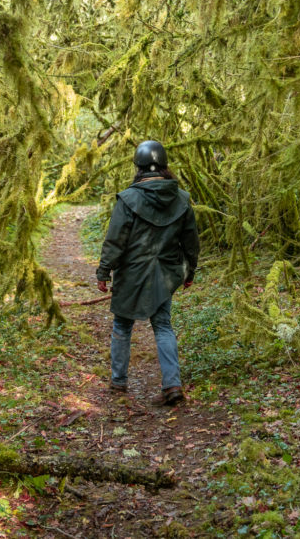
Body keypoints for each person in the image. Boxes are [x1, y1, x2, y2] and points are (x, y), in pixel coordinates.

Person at [96, 140, 200, 406]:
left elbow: (115, 239)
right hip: (165, 273)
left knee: (122, 326)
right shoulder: (182, 199)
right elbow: (191, 241)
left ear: (139, 166)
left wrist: (104, 271)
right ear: (164, 165)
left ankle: (118, 383)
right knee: (163, 326)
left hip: (131, 273)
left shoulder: (128, 199)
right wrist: (190, 269)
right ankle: (172, 385)